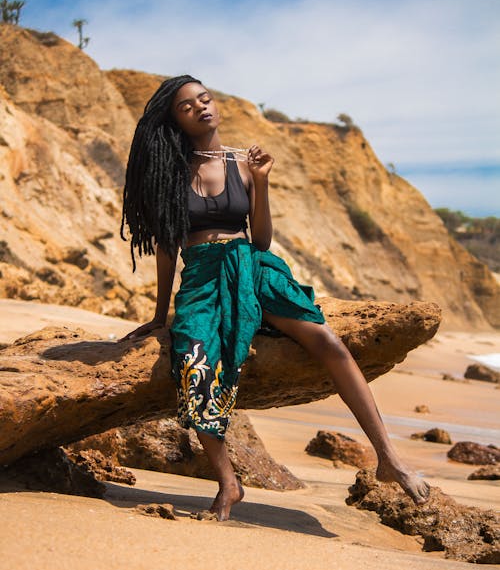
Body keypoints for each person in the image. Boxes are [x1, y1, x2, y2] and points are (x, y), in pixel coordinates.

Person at [120, 74, 430, 521]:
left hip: (253, 266)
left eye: (205, 99)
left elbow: (261, 240)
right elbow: (168, 248)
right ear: (175, 120)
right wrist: (158, 315)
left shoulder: (245, 163)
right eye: (187, 106)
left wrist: (261, 181)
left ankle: (389, 459)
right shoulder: (170, 171)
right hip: (202, 277)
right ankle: (229, 482)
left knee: (328, 342)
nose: (201, 107)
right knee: (193, 363)